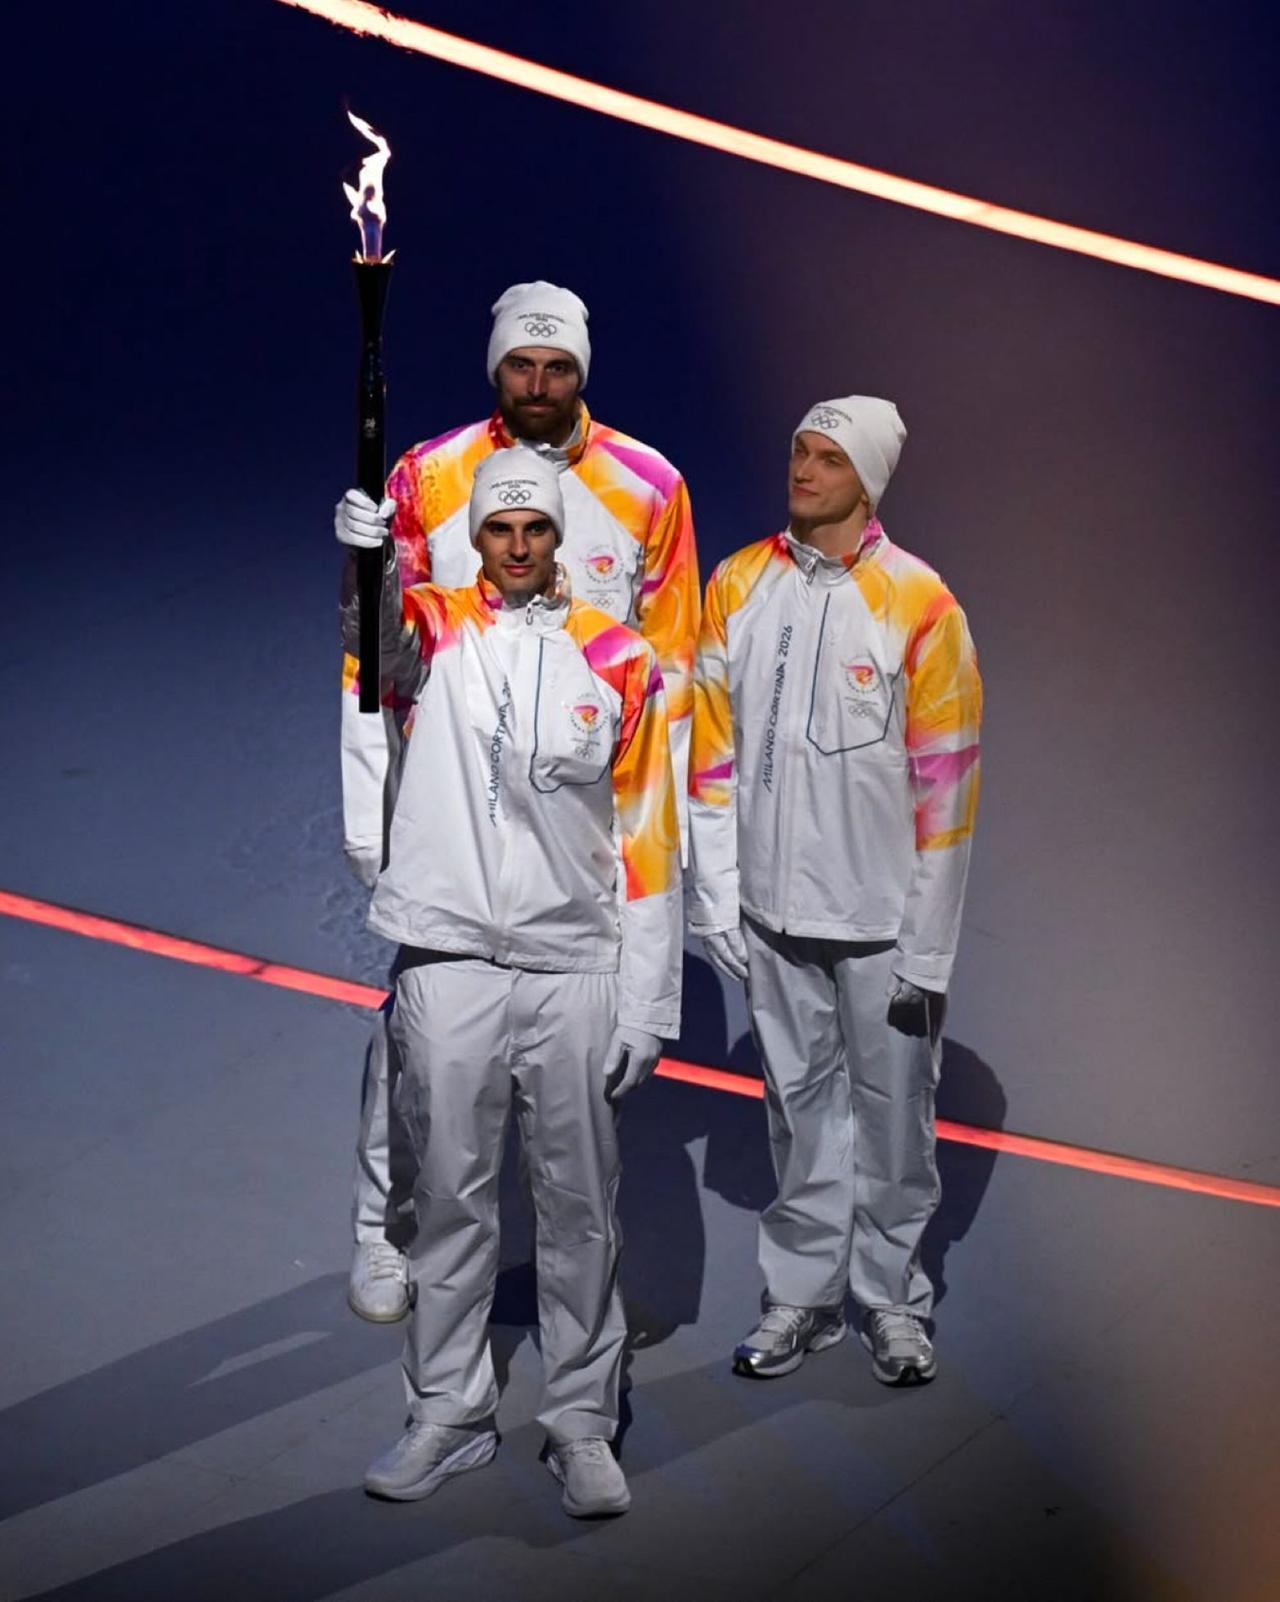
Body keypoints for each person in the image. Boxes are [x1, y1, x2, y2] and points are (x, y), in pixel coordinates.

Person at [336, 281, 700, 1323]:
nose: (537, 387)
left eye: (557, 368)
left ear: (583, 369)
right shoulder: (426, 475)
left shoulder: (648, 486)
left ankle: (551, 1286)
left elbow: (665, 678)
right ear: (493, 367)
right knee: (412, 1036)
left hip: (574, 800)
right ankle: (381, 1227)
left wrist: (671, 847)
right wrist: (372, 810)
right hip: (446, 793)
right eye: (517, 367)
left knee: (554, 1068)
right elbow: (373, 656)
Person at [336, 447, 682, 1515]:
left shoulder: (618, 657)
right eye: (499, 530)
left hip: (573, 966)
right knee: (449, 1202)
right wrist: (364, 566)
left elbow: (645, 840)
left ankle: (580, 1422)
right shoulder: (436, 628)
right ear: (477, 536)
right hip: (448, 961)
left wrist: (648, 995)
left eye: (535, 530)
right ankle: (448, 1411)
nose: (519, 548)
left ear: (559, 538)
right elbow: (376, 644)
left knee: (580, 1211)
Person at [687, 396, 982, 1387]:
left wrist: (927, 942)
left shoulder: (921, 606)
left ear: (868, 480)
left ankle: (891, 1301)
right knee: (795, 1111)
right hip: (771, 916)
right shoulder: (736, 583)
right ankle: (801, 1298)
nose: (801, 470)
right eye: (796, 452)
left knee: (894, 1117)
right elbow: (710, 751)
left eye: (825, 458)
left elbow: (947, 787)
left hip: (879, 925)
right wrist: (718, 893)